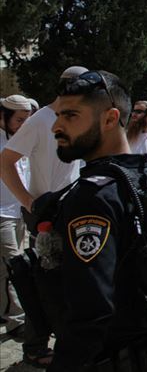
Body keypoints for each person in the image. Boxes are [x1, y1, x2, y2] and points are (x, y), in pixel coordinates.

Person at [43, 70, 147, 370]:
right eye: (59, 115)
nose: (56, 126)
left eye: (71, 116)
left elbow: (92, 310)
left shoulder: (93, 197)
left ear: (110, 119)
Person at [1, 65, 87, 367]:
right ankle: (35, 348)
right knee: (44, 286)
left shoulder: (76, 119)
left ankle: (58, 344)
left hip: (71, 213)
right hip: (47, 217)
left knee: (63, 286)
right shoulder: (40, 121)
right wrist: (29, 202)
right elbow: (6, 161)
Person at [0, 95, 31, 339]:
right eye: (19, 120)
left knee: (8, 267)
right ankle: (17, 320)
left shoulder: (24, 141)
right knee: (15, 263)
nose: (23, 125)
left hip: (20, 212)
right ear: (4, 117)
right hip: (2, 214)